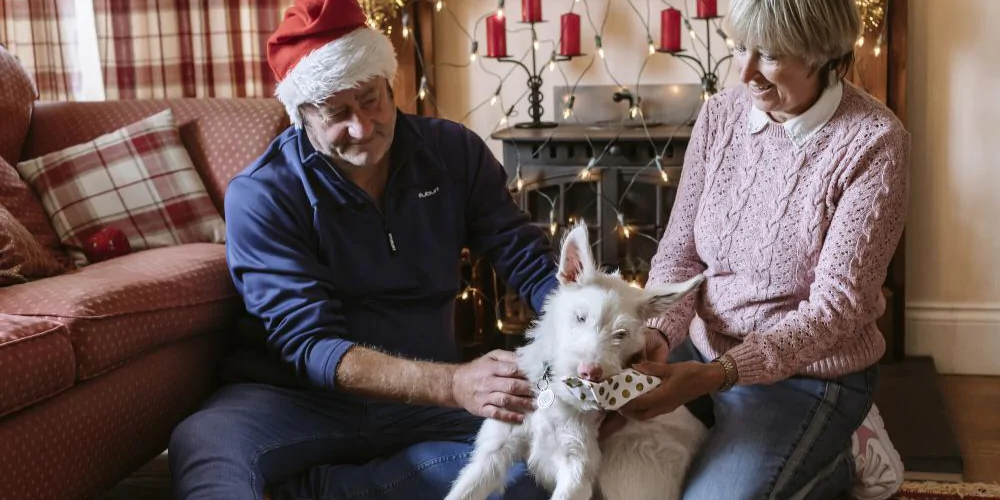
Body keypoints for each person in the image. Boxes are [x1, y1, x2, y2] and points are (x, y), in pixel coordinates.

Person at [165, 0, 560, 498]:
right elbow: (312, 346)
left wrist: (586, 325)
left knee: (544, 469)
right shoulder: (261, 194)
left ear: (389, 84)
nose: (362, 127)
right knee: (204, 442)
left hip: (427, 401)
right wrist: (455, 384)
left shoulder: (454, 151)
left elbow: (523, 255)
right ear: (300, 115)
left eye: (371, 100)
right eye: (337, 114)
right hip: (296, 401)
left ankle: (329, 489)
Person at [604, 0, 910, 499]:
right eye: (741, 47)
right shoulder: (720, 116)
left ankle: (842, 457)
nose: (744, 72)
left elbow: (835, 310)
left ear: (821, 52)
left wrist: (719, 375)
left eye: (768, 55)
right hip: (699, 347)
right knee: (583, 448)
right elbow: (680, 252)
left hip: (807, 374)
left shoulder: (875, 143)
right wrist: (660, 331)